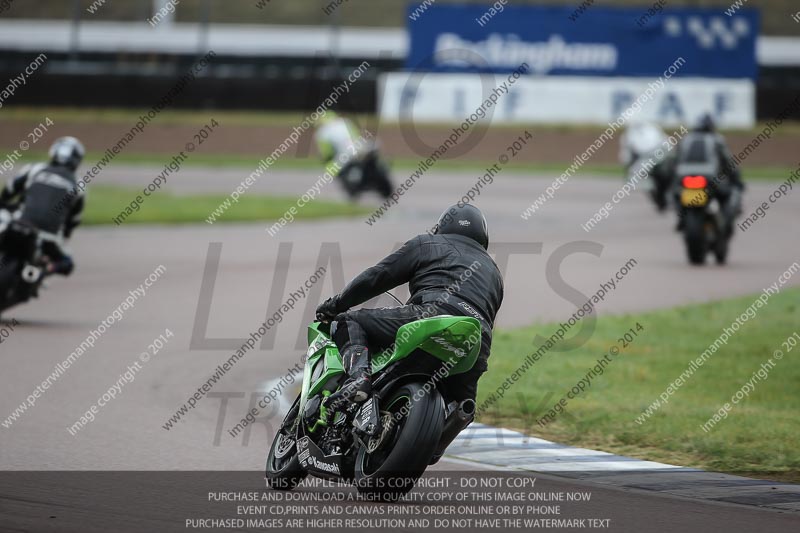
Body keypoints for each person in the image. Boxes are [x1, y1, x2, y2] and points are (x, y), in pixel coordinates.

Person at [315, 204, 503, 452]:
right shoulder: (494, 273)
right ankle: (438, 440)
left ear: (442, 227)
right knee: (462, 405)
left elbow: (377, 277)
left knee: (348, 321)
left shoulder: (427, 244)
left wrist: (336, 304)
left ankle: (359, 377)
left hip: (430, 315)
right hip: (475, 341)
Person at [0, 136, 85, 276]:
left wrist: (5, 205)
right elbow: (73, 222)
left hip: (18, 222)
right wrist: (63, 237)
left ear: (54, 152)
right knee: (67, 263)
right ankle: (46, 269)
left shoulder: (35, 169)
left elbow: (9, 190)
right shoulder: (78, 185)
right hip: (49, 238)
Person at [673, 113, 743, 232]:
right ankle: (726, 222)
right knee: (727, 194)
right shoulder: (717, 139)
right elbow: (728, 162)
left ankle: (681, 218)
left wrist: (674, 178)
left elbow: (675, 161)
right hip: (710, 176)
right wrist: (736, 179)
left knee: (676, 193)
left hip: (684, 175)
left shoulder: (685, 139)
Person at [313, 112, 392, 199]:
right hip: (361, 148)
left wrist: (325, 159)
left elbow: (326, 152)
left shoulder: (321, 133)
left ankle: (356, 181)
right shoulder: (345, 122)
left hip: (345, 155)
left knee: (330, 168)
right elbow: (356, 135)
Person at [619, 121, 673, 210]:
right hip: (655, 160)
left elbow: (625, 157)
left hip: (658, 160)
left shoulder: (632, 135)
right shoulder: (650, 130)